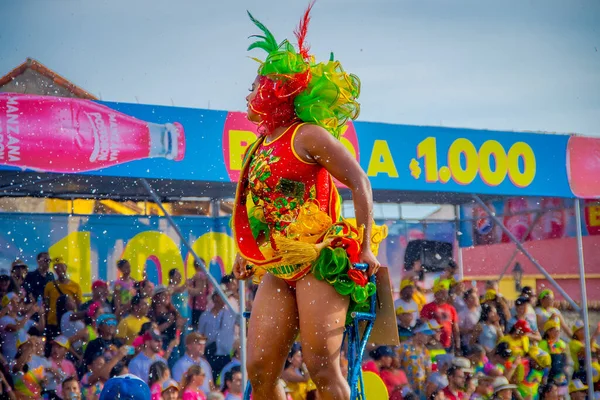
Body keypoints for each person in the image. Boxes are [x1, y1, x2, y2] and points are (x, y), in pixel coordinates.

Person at [231, 5, 384, 400]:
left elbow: (359, 180)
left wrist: (365, 246)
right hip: (277, 265)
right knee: (260, 369)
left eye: (255, 84)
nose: (248, 93)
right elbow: (259, 208)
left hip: (319, 260)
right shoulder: (258, 145)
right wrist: (248, 252)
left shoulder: (308, 135)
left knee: (320, 367)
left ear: (274, 91)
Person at [421, 280, 460, 354]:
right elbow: (424, 323)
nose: (444, 295)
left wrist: (458, 345)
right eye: (441, 292)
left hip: (447, 344)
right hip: (432, 344)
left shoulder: (451, 308)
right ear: (435, 294)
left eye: (445, 292)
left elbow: (455, 328)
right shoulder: (427, 307)